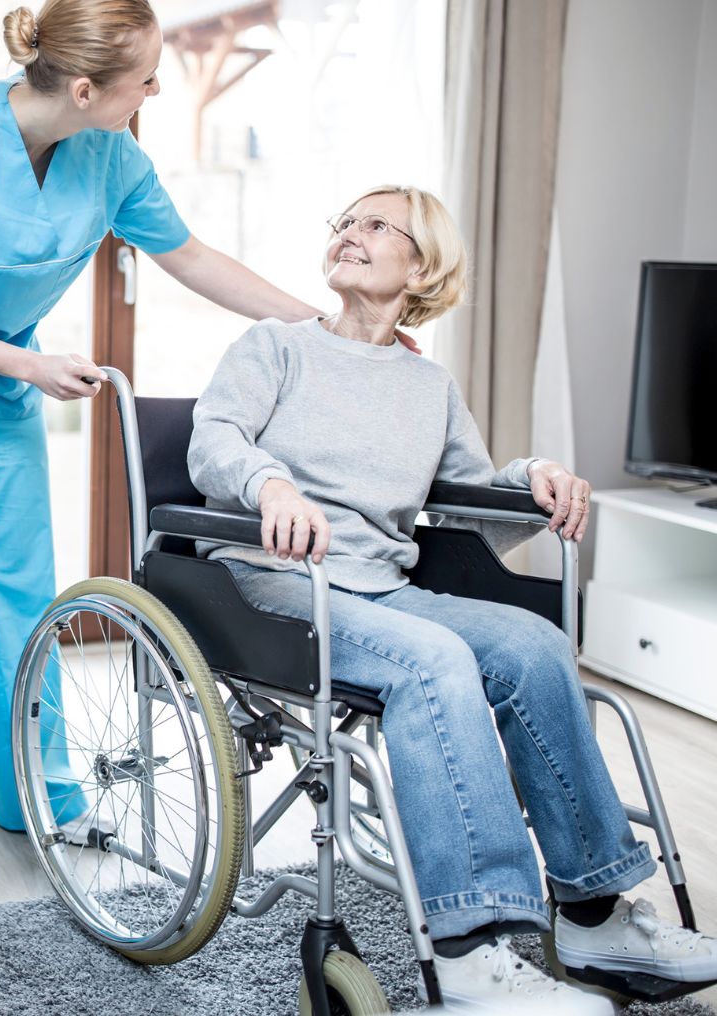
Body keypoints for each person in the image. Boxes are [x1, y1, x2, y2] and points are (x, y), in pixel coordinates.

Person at [0, 0, 327, 909]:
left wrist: (317, 330)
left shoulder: (112, 157)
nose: (158, 93)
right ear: (88, 88)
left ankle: (42, 793)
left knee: (22, 587)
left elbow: (191, 258)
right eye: (146, 79)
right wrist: (28, 366)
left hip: (3, 374)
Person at [188, 185, 717, 1010]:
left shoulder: (426, 386)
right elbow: (215, 436)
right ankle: (472, 955)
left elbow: (469, 499)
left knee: (535, 648)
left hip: (382, 590)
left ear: (422, 263)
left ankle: (594, 912)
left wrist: (531, 477)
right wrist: (271, 486)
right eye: (344, 223)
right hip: (273, 581)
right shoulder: (275, 347)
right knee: (435, 662)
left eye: (374, 225)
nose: (348, 235)